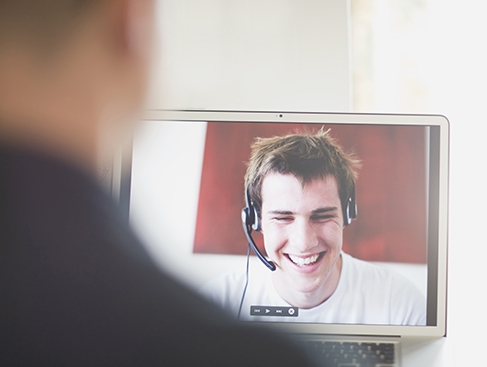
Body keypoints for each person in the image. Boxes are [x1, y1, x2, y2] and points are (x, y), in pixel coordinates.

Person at [0, 1, 319, 366]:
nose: (303, 237)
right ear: (127, 25)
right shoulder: (236, 353)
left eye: (320, 214)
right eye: (283, 216)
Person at [202, 129, 426, 325]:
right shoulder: (216, 304)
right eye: (283, 218)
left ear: (347, 215)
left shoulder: (402, 305)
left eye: (322, 216)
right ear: (256, 220)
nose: (304, 242)